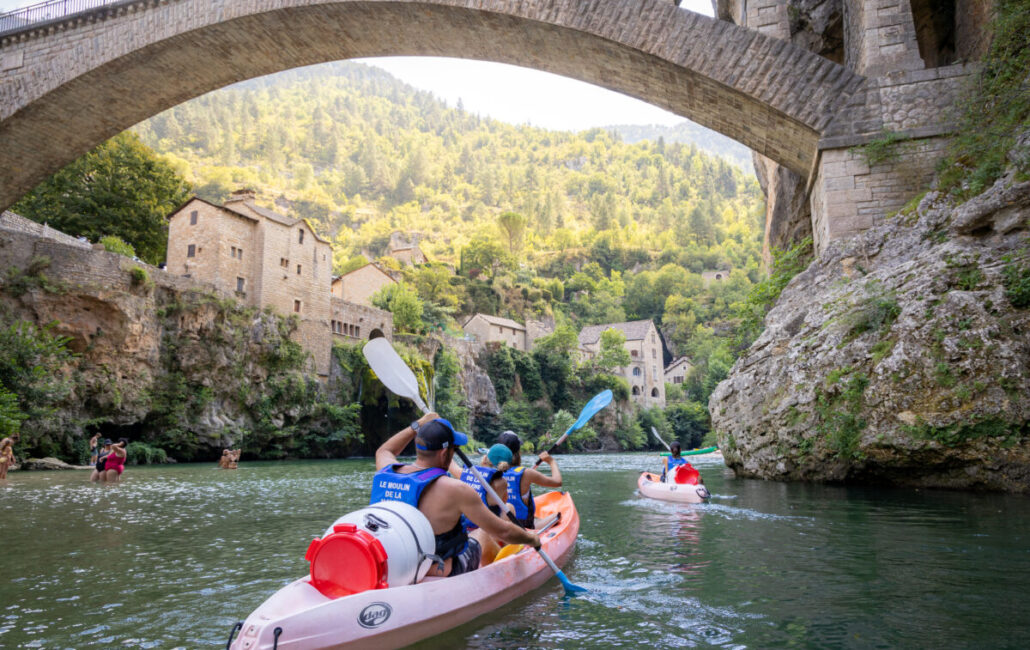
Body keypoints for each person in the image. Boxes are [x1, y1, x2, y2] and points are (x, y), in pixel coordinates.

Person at [371, 413, 539, 579]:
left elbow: (384, 450)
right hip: (437, 569)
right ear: (445, 453)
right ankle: (499, 575)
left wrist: (418, 425)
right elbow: (503, 531)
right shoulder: (456, 489)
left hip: (394, 564)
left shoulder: (386, 470)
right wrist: (532, 539)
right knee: (483, 534)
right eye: (454, 449)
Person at [496, 430, 563, 528]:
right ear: (518, 452)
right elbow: (558, 482)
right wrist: (552, 462)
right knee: (557, 516)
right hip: (523, 527)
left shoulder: (492, 471)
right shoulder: (526, 473)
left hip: (499, 525)